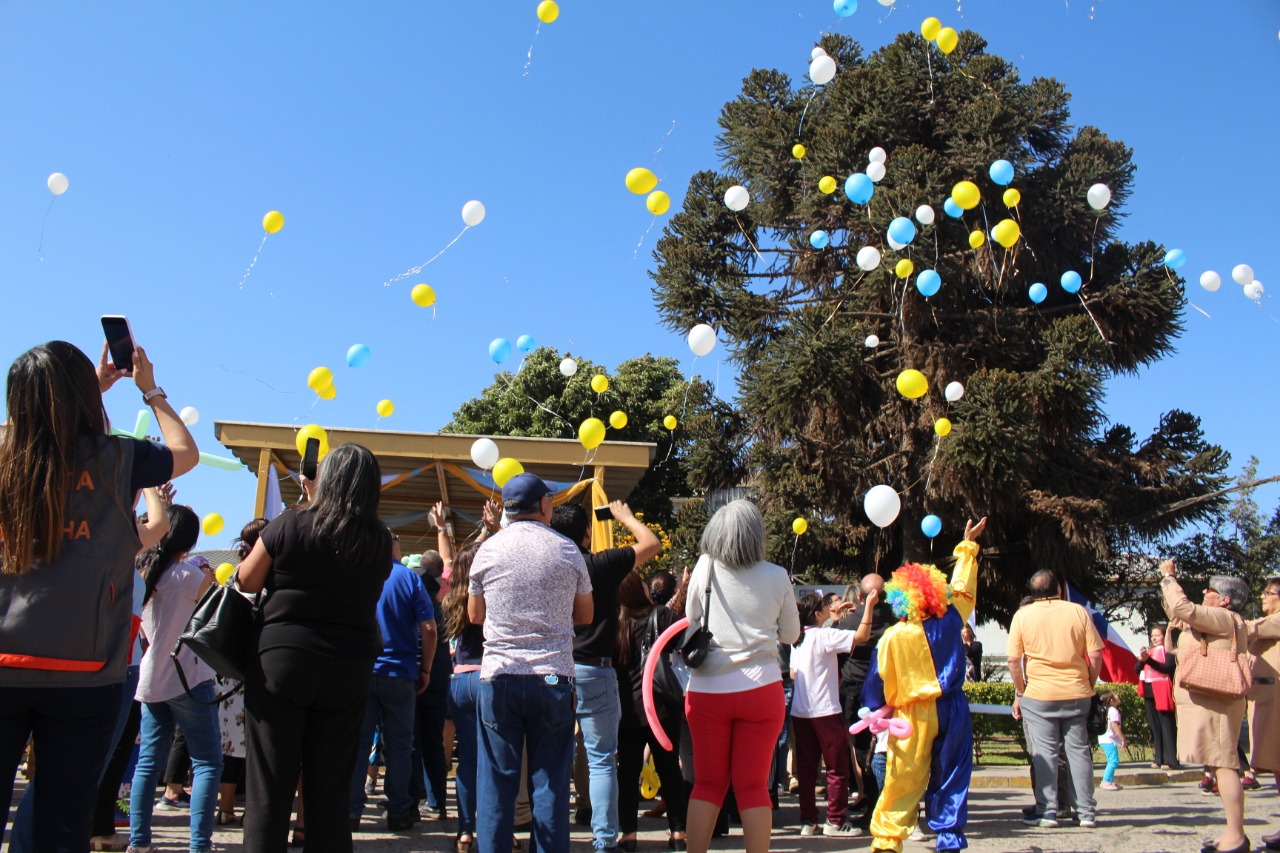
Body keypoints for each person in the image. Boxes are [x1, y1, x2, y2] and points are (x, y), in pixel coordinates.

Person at [0, 340, 195, 853]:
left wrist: (89, 387)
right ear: (84, 395)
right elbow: (185, 452)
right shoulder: (115, 458)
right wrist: (147, 387)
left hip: (3, 659)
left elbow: (27, 432)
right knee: (61, 823)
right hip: (83, 671)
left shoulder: (5, 456)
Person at [236, 443, 393, 853]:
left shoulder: (290, 523)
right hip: (348, 664)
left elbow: (247, 581)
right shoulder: (380, 541)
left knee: (269, 781)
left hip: (282, 657)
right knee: (331, 785)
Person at [468, 473, 594, 853]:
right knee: (551, 783)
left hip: (500, 675)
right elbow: (585, 614)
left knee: (496, 783)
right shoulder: (567, 550)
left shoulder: (487, 550)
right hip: (553, 678)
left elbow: (475, 615)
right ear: (542, 506)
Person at [682, 499, 801, 853]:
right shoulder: (777, 575)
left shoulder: (705, 566)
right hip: (761, 689)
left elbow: (692, 616)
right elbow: (791, 635)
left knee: (706, 784)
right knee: (752, 787)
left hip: (707, 690)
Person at [862, 518, 986, 853]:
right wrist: (967, 548)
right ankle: (948, 839)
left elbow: (877, 682)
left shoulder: (892, 637)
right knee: (952, 776)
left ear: (899, 597)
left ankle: (888, 842)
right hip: (953, 708)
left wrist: (875, 709)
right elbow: (963, 589)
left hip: (912, 715)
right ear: (934, 591)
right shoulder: (952, 619)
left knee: (903, 779)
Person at [551, 500, 661, 852]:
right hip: (596, 670)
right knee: (601, 761)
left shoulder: (548, 565)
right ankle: (604, 840)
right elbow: (651, 544)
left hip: (554, 670)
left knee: (551, 758)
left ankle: (553, 837)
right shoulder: (602, 564)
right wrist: (626, 517)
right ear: (587, 532)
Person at [128, 504, 223, 853]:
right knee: (207, 761)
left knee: (148, 762)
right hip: (190, 677)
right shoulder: (189, 577)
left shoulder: (146, 572)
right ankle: (200, 845)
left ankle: (139, 842)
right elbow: (216, 611)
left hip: (152, 676)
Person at [1158, 560, 1251, 853]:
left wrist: (1170, 578)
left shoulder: (1224, 618)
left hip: (1218, 702)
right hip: (1211, 701)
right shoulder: (1215, 619)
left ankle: (1236, 836)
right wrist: (1167, 587)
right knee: (1219, 763)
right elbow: (1177, 611)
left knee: (1225, 765)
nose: (1204, 592)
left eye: (1209, 590)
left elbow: (1185, 609)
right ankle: (1232, 834)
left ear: (1223, 599)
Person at [348, 528, 438, 832]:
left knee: (357, 745)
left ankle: (351, 811)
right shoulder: (410, 578)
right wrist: (425, 668)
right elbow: (429, 628)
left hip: (362, 673)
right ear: (395, 546)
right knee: (400, 746)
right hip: (400, 673)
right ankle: (399, 811)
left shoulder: (359, 575)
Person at [1007, 568, 1103, 830]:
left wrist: (1022, 689)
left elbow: (1014, 660)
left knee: (1045, 754)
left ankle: (1047, 811)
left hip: (1039, 694)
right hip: (1076, 691)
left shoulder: (1022, 616)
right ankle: (1085, 812)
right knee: (1079, 752)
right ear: (1058, 589)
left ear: (1032, 591)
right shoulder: (1077, 612)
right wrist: (1089, 683)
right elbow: (1095, 656)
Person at [614, 570, 689, 850]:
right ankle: (678, 833)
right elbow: (684, 638)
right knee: (670, 770)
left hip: (627, 708)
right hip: (661, 705)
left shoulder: (616, 623)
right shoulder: (662, 617)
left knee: (628, 772)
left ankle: (629, 834)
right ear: (640, 589)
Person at [790, 591, 874, 838]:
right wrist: (867, 605)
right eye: (824, 606)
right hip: (825, 710)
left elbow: (794, 673)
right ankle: (835, 821)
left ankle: (808, 821)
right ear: (817, 614)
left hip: (801, 711)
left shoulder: (798, 638)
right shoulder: (824, 636)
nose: (829, 607)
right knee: (837, 768)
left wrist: (835, 619)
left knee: (806, 771)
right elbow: (863, 635)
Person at [836, 571, 894, 826]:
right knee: (888, 747)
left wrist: (839, 619)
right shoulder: (896, 620)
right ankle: (890, 803)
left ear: (859, 596)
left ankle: (872, 804)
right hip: (888, 689)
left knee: (862, 748)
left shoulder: (851, 623)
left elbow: (837, 652)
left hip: (856, 689)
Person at [441, 541, 483, 853]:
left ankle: (465, 830)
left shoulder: (451, 600)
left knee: (466, 759)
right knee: (496, 759)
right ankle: (497, 829)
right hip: (488, 678)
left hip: (459, 681)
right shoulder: (487, 597)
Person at [1248, 576, 1280, 851]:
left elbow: (1251, 629)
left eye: (1267, 593)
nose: (1262, 597)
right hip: (1269, 698)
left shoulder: (1277, 621)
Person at [1135, 624, 1179, 770]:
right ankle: (1158, 758)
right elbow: (1137, 669)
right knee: (1155, 726)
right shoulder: (1150, 651)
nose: (1154, 638)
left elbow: (1166, 668)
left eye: (1157, 635)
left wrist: (1149, 660)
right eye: (1152, 635)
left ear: (1165, 636)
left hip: (1163, 689)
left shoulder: (1169, 652)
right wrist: (1142, 660)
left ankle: (1171, 759)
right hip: (1149, 691)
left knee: (1167, 725)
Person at [1096, 690, 1126, 790]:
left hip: (1105, 738)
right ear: (1111, 700)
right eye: (1115, 695)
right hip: (1108, 739)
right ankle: (1105, 781)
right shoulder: (1113, 710)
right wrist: (1123, 739)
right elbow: (1114, 725)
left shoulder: (1109, 710)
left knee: (1113, 760)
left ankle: (1110, 781)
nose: (1118, 696)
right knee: (1113, 761)